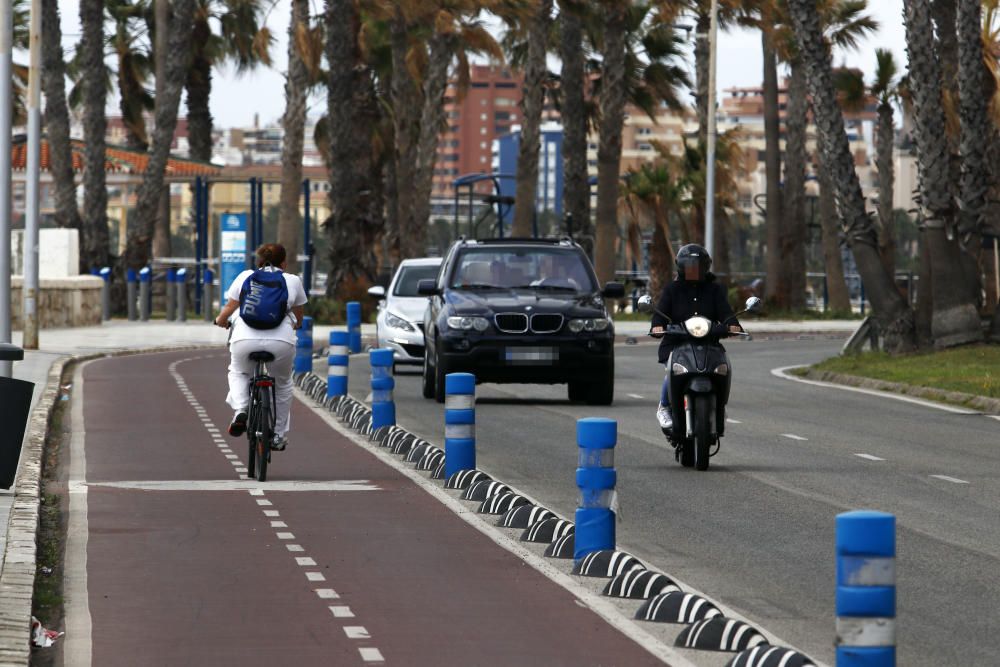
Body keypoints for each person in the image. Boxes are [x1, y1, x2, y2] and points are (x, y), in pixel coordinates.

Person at [214, 243, 307, 451]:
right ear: (284, 263)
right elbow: (298, 315)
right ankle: (279, 436)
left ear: (257, 261)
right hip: (281, 342)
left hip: (244, 339)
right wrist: (296, 324)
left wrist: (220, 320)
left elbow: (230, 307)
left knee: (238, 371)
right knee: (282, 384)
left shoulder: (245, 276)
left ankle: (241, 410)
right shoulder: (292, 280)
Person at [650, 244, 742, 432]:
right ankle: (664, 406)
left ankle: (718, 405)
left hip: (709, 343)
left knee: (721, 368)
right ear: (681, 267)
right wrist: (657, 326)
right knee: (672, 369)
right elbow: (660, 313)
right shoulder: (672, 290)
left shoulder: (715, 290)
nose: (693, 270)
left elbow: (726, 313)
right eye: (689, 266)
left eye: (697, 266)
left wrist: (734, 324)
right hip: (677, 343)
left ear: (705, 267)